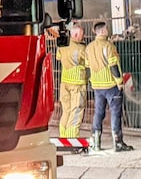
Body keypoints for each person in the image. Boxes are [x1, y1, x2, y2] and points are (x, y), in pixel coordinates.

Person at [85, 21, 134, 152]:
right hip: (111, 85)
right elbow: (113, 66)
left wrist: (92, 81)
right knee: (115, 113)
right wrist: (119, 82)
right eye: (106, 29)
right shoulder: (109, 46)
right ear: (101, 31)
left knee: (98, 113)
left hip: (97, 86)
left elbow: (88, 67)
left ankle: (96, 142)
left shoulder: (88, 47)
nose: (107, 31)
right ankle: (117, 142)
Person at [55, 24, 88, 145]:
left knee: (66, 111)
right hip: (77, 83)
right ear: (75, 34)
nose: (82, 37)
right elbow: (88, 62)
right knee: (76, 111)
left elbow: (58, 57)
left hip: (64, 83)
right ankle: (72, 139)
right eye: (81, 35)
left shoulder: (62, 46)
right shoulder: (81, 48)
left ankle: (63, 137)